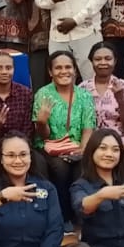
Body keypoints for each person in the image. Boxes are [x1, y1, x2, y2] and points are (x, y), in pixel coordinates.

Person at [33, 51, 97, 228]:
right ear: (50, 72)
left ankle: (82, 215)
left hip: (77, 146)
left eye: (68, 67)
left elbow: (88, 128)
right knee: (60, 168)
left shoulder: (84, 95)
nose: (63, 71)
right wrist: (42, 122)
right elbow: (43, 135)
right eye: (58, 68)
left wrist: (83, 150)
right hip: (50, 147)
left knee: (83, 166)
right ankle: (63, 215)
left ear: (75, 70)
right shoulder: (43, 94)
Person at [80, 42, 124, 148]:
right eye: (98, 59)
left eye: (108, 59)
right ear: (91, 62)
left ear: (115, 61)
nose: (103, 62)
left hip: (123, 142)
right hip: (94, 144)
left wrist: (120, 100)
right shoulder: (83, 88)